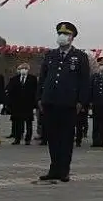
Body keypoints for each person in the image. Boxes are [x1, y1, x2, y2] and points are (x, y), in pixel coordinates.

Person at [37, 21, 90, 182]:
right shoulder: (50, 55)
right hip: (50, 102)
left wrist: (81, 101)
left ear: (72, 37)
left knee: (66, 138)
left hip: (69, 104)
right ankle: (54, 169)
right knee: (52, 137)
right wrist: (39, 98)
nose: (62, 36)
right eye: (60, 33)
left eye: (66, 34)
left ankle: (64, 170)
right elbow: (43, 78)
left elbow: (84, 81)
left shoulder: (80, 57)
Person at [6, 63, 38, 145]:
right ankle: (17, 138)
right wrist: (10, 104)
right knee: (17, 123)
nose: (24, 70)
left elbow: (35, 92)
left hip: (28, 105)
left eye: (26, 68)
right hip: (17, 105)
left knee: (28, 123)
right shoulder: (14, 79)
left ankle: (28, 139)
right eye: (22, 68)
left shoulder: (33, 79)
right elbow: (10, 92)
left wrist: (35, 104)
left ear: (28, 69)